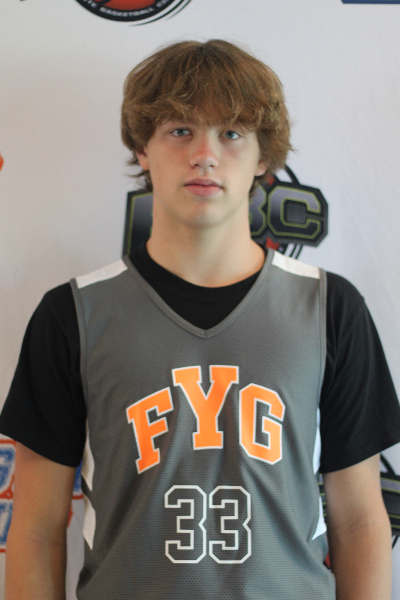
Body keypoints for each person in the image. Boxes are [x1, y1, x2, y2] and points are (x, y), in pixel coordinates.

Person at [1, 39, 400, 600]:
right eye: (180, 129)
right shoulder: (72, 315)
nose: (205, 155)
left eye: (231, 133)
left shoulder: (330, 309)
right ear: (143, 147)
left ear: (264, 157)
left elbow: (358, 521)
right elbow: (37, 532)